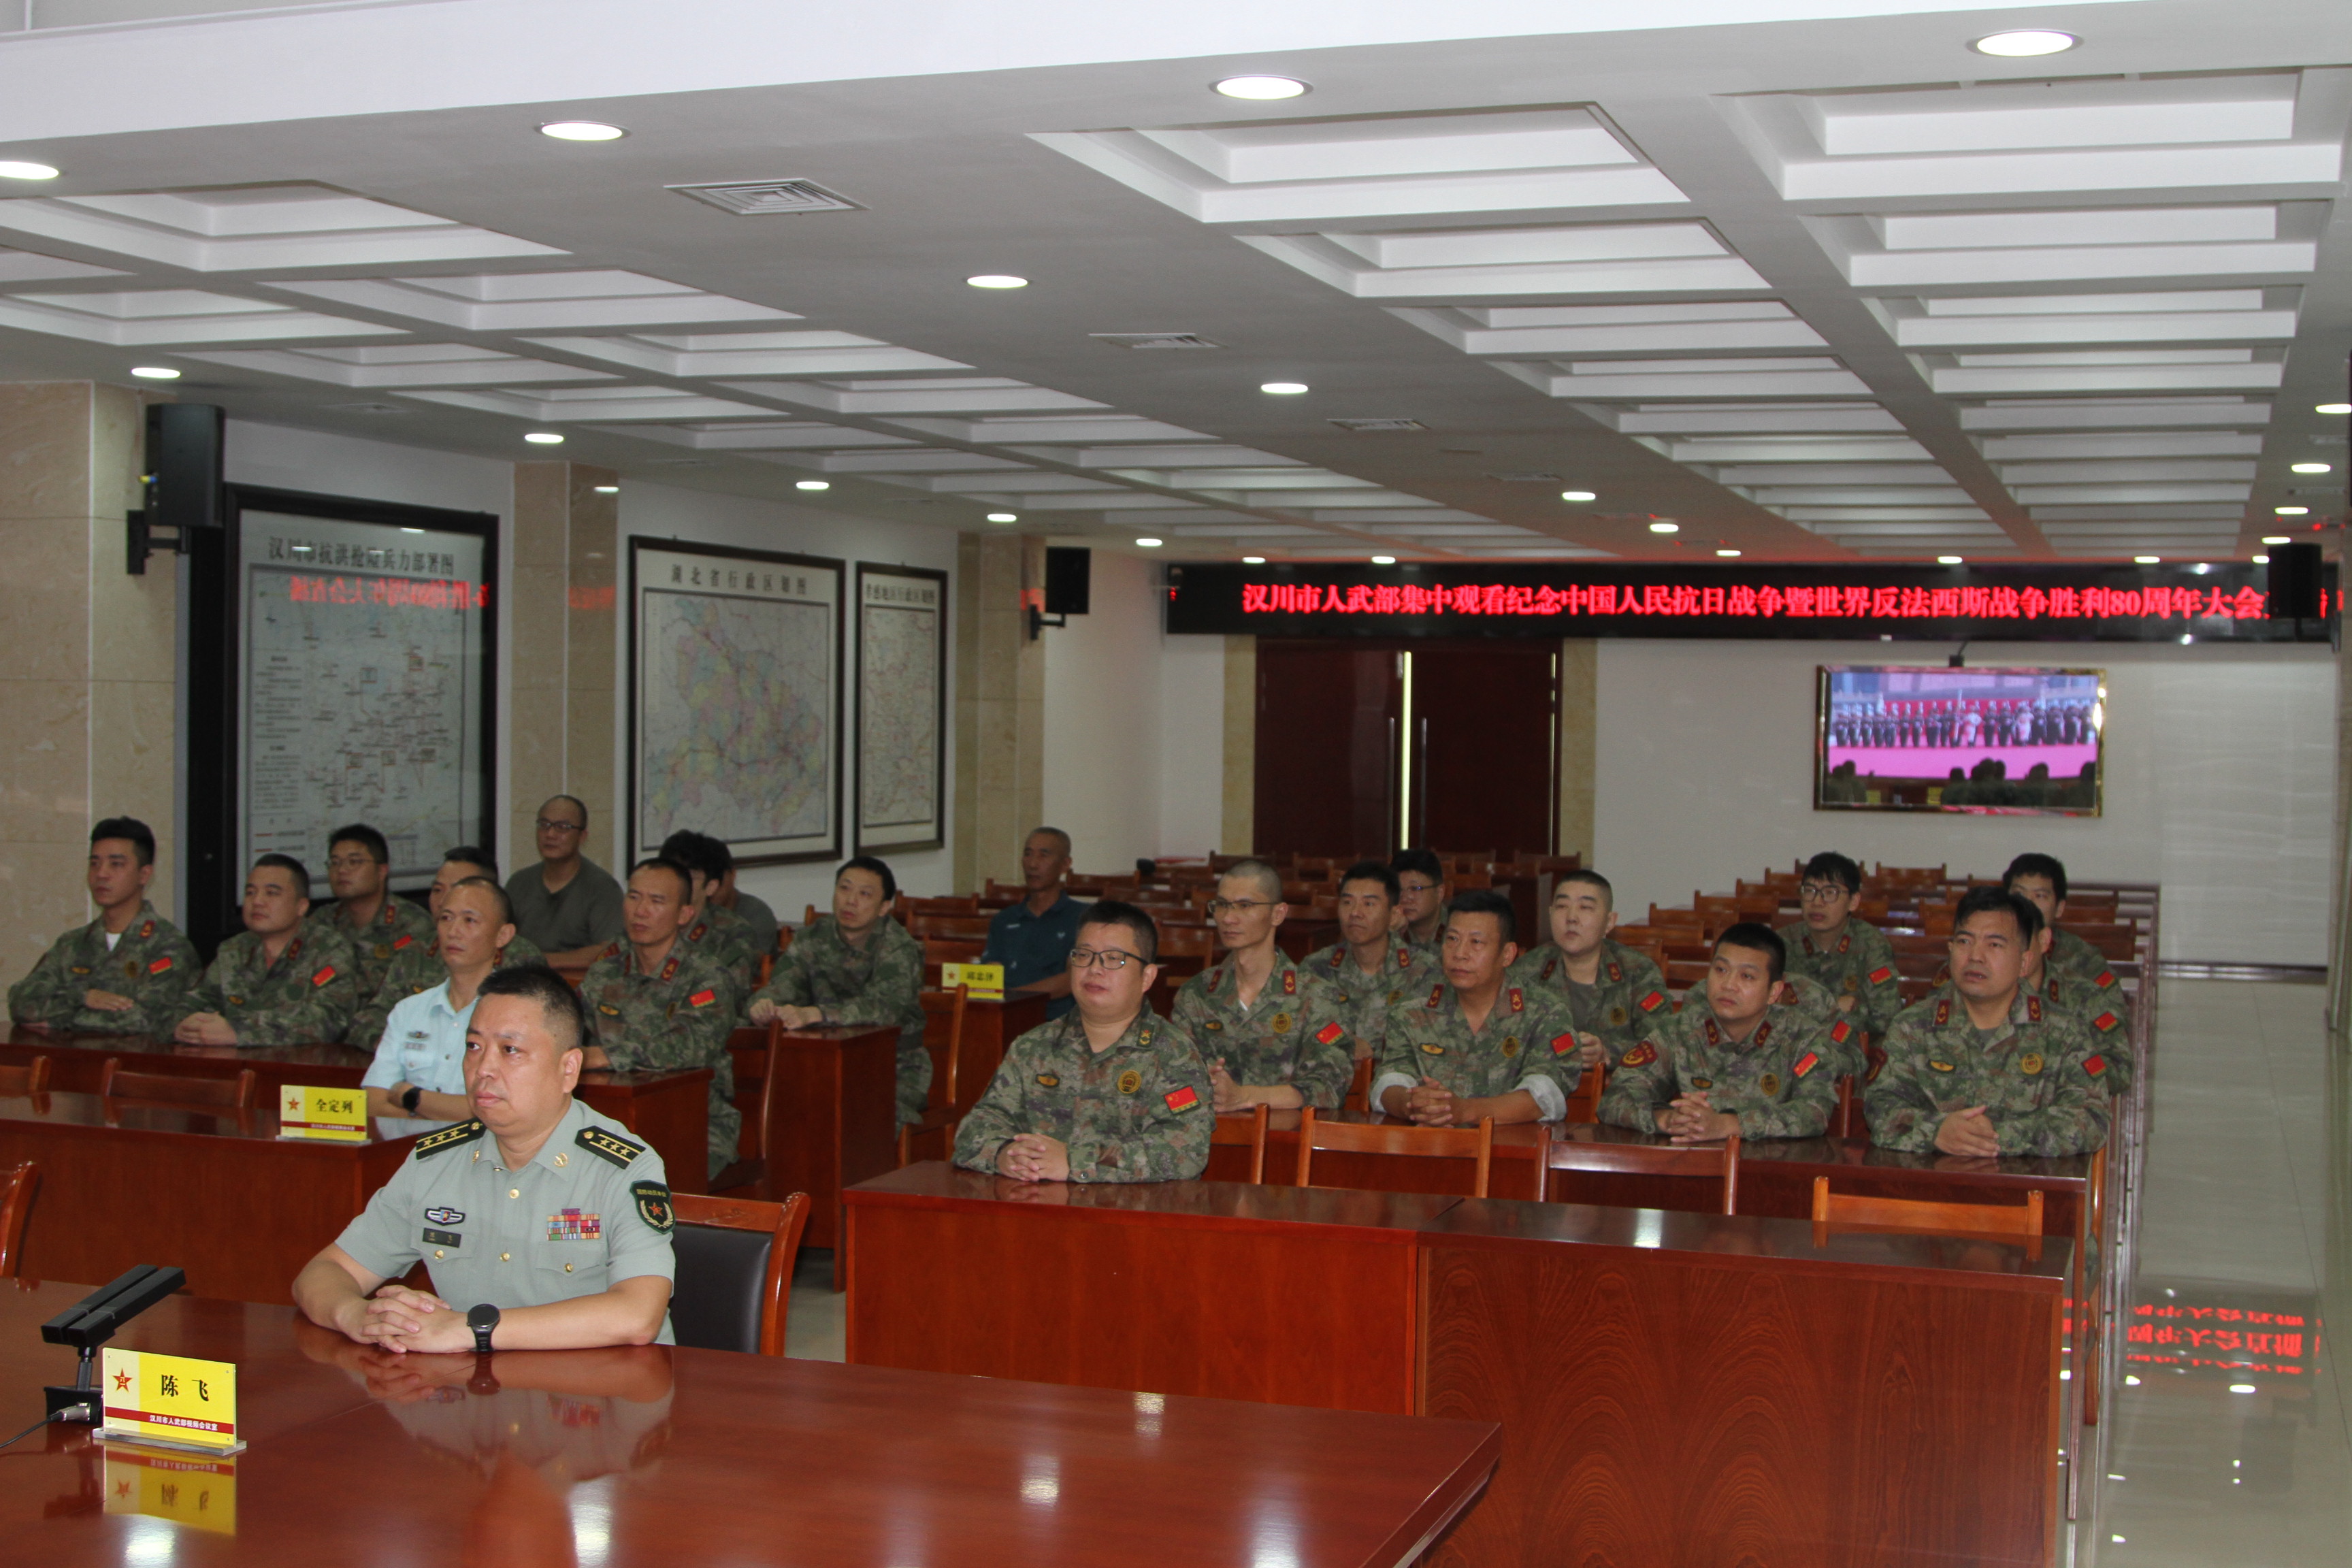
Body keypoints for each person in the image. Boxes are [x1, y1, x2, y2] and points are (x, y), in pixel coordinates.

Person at [292, 965, 676, 1352]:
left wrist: (466, 1329)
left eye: (510, 1050)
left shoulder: (623, 1167)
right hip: (472, 1395)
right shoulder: (434, 1161)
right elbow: (326, 1272)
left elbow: (638, 1315)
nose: (483, 1069)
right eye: (474, 1047)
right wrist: (358, 1316)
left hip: (595, 1398)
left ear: (568, 1069)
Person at [953, 901, 1213, 1183]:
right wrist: (1005, 1154)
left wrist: (1074, 1162)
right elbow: (975, 1129)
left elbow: (1185, 1153)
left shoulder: (1173, 1055)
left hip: (1133, 1219)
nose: (1094, 969)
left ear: (1147, 977)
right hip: (1040, 1212)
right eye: (1084, 955)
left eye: (1114, 958)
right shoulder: (1034, 1047)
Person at [1865, 887, 2114, 1157]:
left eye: (1994, 945)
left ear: (2024, 961)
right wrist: (1937, 1131)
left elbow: (2090, 1118)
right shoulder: (1912, 1027)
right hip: (1932, 1188)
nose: (1975, 956)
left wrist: (1995, 1137)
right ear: (1950, 950)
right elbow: (1879, 1106)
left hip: (2028, 1191)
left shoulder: (2064, 1032)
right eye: (1964, 942)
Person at [1599, 924, 1842, 1141]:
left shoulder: (1804, 1038)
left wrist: (1727, 1125)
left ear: (1774, 992)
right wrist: (1667, 1119)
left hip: (1768, 1176)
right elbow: (1615, 1098)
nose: (1728, 985)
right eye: (1721, 970)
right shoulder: (1679, 1031)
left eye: (1746, 976)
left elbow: (1814, 1112)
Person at [581, 859, 743, 1182]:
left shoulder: (706, 977)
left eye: (656, 901)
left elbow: (688, 1045)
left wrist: (607, 1056)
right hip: (606, 1118)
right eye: (634, 897)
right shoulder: (604, 973)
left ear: (684, 914)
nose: (640, 911)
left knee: (650, 1186)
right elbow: (572, 1033)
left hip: (695, 1123)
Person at [1371, 890, 1578, 1127]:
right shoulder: (1412, 1012)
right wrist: (1415, 1105)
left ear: (1507, 954)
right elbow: (1389, 1081)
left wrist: (1463, 1112)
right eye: (1452, 939)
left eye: (1476, 942)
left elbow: (1544, 1095)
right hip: (1430, 1151)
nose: (1460, 954)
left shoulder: (1545, 1014)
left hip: (1509, 1154)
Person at [748, 856, 929, 1124]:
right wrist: (763, 1004)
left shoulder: (899, 947)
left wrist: (817, 1014)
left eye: (865, 894)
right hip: (821, 1062)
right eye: (844, 889)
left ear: (884, 907)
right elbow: (784, 984)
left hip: (893, 1065)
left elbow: (885, 1009)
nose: (851, 901)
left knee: (862, 1114)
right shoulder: (812, 937)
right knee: (786, 1108)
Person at [1171, 859, 1354, 1112]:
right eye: (1222, 905)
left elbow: (1330, 1087)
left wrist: (1245, 1096)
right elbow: (1172, 1086)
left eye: (1245, 906)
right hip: (1211, 1140)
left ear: (1278, 914)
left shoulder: (1316, 996)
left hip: (1287, 1142)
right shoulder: (1195, 995)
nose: (1228, 918)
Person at [10, 817, 199, 1036]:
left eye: (116, 864)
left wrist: (58, 1016)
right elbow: (21, 1002)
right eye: (95, 863)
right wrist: (83, 997)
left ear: (144, 874)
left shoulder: (168, 947)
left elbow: (148, 1020)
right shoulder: (73, 943)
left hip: (136, 1068)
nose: (101, 874)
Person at [361, 877, 519, 1133]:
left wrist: (412, 1098)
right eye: (446, 918)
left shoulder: (516, 1014)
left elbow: (497, 1109)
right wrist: (438, 1119)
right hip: (410, 1156)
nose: (453, 931)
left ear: (503, 935)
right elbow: (374, 1101)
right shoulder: (409, 1010)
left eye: (469, 920)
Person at [348, 847, 545, 1049]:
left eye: (462, 889)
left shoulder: (522, 960)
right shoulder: (415, 954)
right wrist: (393, 1043)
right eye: (438, 890)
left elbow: (540, 1035)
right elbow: (369, 1020)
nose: (444, 901)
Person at [174, 855, 363, 1045]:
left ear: (301, 906)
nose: (257, 901)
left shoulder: (329, 949)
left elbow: (328, 1020)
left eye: (271, 893)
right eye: (250, 893)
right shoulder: (233, 949)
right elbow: (193, 1003)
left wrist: (238, 1032)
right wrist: (188, 1024)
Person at [1505, 869, 1664, 1071]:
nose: (1571, 917)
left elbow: (1662, 1044)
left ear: (1609, 922)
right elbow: (1505, 1042)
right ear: (1550, 912)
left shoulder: (1639, 973)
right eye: (1562, 906)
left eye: (1585, 907)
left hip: (1616, 1093)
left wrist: (1608, 1053)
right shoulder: (1526, 971)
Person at [1301, 860, 1432, 1063]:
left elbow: (1432, 1040)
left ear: (1394, 914)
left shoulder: (1424, 971)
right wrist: (1344, 1041)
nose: (1355, 913)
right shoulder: (1317, 968)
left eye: (1369, 904)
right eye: (1347, 902)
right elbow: (1307, 1030)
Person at [1775, 851, 1904, 1038]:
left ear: (1853, 901)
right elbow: (1766, 1013)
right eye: (1810, 891)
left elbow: (1887, 1017)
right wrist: (1837, 1007)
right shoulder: (1781, 943)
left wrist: (1806, 1012)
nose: (1817, 902)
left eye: (1830, 893)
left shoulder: (1871, 943)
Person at [311, 823, 436, 999]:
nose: (342, 870)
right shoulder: (322, 922)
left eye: (354, 862)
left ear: (382, 871)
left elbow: (416, 993)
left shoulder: (413, 923)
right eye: (335, 862)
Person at [980, 827, 1087, 1020]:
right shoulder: (1004, 920)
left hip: (1058, 1024)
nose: (1033, 864)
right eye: (1028, 855)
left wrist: (1013, 999)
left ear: (1065, 864)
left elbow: (1071, 981)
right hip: (1005, 1019)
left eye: (1043, 855)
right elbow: (990, 973)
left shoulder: (1082, 918)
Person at [505, 796, 625, 967]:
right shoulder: (518, 883)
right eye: (544, 825)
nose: (550, 834)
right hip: (523, 983)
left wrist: (539, 961)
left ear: (582, 837)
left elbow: (609, 949)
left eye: (563, 827)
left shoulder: (603, 888)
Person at [659, 829, 764, 994]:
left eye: (690, 877)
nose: (678, 884)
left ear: (710, 887)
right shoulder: (647, 922)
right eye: (672, 875)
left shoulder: (734, 934)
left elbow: (726, 996)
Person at [2002, 853, 2119, 987]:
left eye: (2040, 896)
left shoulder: (2084, 959)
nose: (2028, 903)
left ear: (2059, 908)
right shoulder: (1986, 947)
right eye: (2019, 894)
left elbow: (2112, 1005)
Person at [704, 843, 778, 957]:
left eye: (718, 881)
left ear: (733, 874)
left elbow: (754, 962)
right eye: (706, 883)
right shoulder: (691, 911)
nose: (712, 890)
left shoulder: (756, 913)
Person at [1389, 849, 1451, 949]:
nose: (1404, 898)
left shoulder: (1458, 928)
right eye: (1398, 889)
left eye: (1415, 889)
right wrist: (1389, 935)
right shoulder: (1388, 927)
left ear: (1440, 893)